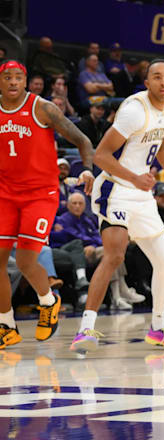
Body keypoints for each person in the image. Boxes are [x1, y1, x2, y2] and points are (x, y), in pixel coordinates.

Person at [73, 60, 164, 353]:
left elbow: (161, 147)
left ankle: (158, 329)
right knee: (115, 255)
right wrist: (135, 178)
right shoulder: (134, 110)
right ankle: (85, 329)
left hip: (141, 193)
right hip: (116, 187)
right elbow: (101, 155)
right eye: (156, 77)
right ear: (146, 82)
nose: (163, 82)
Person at [0, 60, 94, 348]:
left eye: (18, 77)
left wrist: (87, 168)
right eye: (7, 77)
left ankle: (48, 301)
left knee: (27, 260)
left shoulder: (42, 107)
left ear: (26, 81)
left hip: (40, 194)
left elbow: (83, 140)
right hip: (5, 193)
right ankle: (6, 325)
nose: (13, 82)